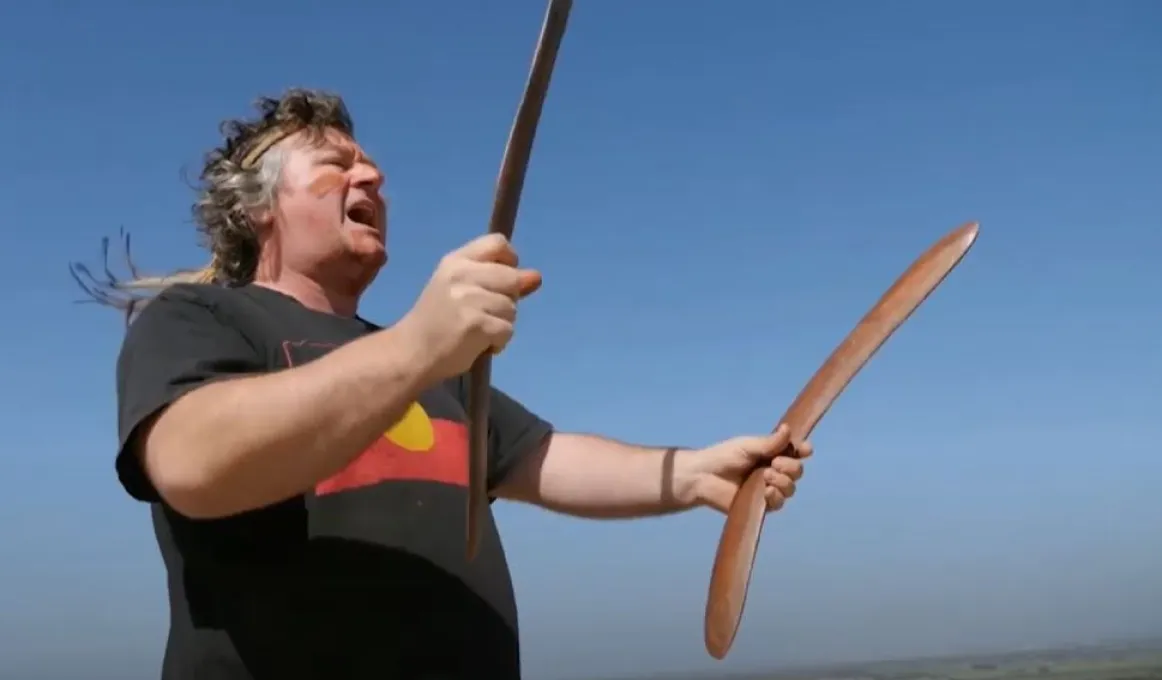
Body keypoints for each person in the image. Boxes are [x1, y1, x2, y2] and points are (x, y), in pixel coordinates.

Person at [80, 88, 813, 680]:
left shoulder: (429, 366)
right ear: (256, 207)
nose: (371, 177)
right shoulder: (202, 318)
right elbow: (193, 463)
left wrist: (693, 473)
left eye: (370, 166)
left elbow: (538, 456)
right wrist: (419, 346)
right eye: (334, 164)